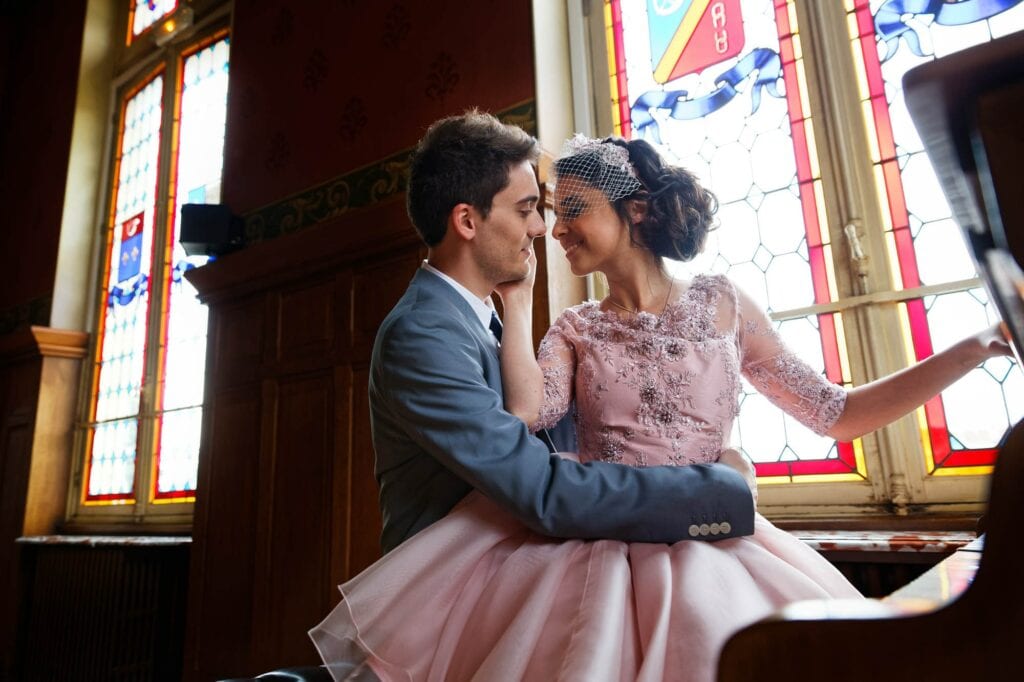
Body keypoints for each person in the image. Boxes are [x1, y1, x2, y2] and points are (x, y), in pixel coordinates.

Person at [309, 120, 1011, 681]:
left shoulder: (724, 305)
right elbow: (525, 431)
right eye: (539, 212)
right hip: (592, 554)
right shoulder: (572, 327)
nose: (551, 230)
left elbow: (838, 412)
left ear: (635, 209)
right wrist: (722, 484)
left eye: (567, 210)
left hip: (718, 553)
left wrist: (974, 346)